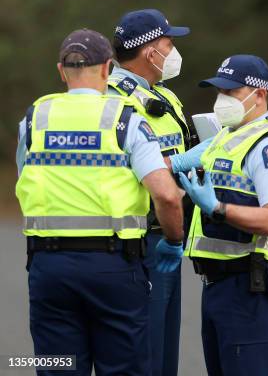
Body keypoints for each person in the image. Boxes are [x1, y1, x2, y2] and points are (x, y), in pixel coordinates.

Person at [15, 29, 184, 375]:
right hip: (114, 267)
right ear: (108, 69)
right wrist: (173, 240)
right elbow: (166, 194)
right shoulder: (125, 119)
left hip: (49, 267)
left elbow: (25, 177)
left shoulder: (35, 119)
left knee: (57, 367)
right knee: (123, 367)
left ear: (62, 71)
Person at [175, 54, 268, 376]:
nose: (222, 100)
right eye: (219, 92)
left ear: (259, 94)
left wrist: (218, 209)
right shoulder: (225, 137)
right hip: (220, 283)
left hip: (249, 283)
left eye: (231, 93)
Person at [107, 8, 208, 376]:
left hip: (168, 233)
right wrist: (177, 166)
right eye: (169, 43)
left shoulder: (163, 94)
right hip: (138, 240)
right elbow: (121, 171)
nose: (173, 50)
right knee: (143, 354)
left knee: (164, 354)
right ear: (151, 52)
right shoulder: (115, 100)